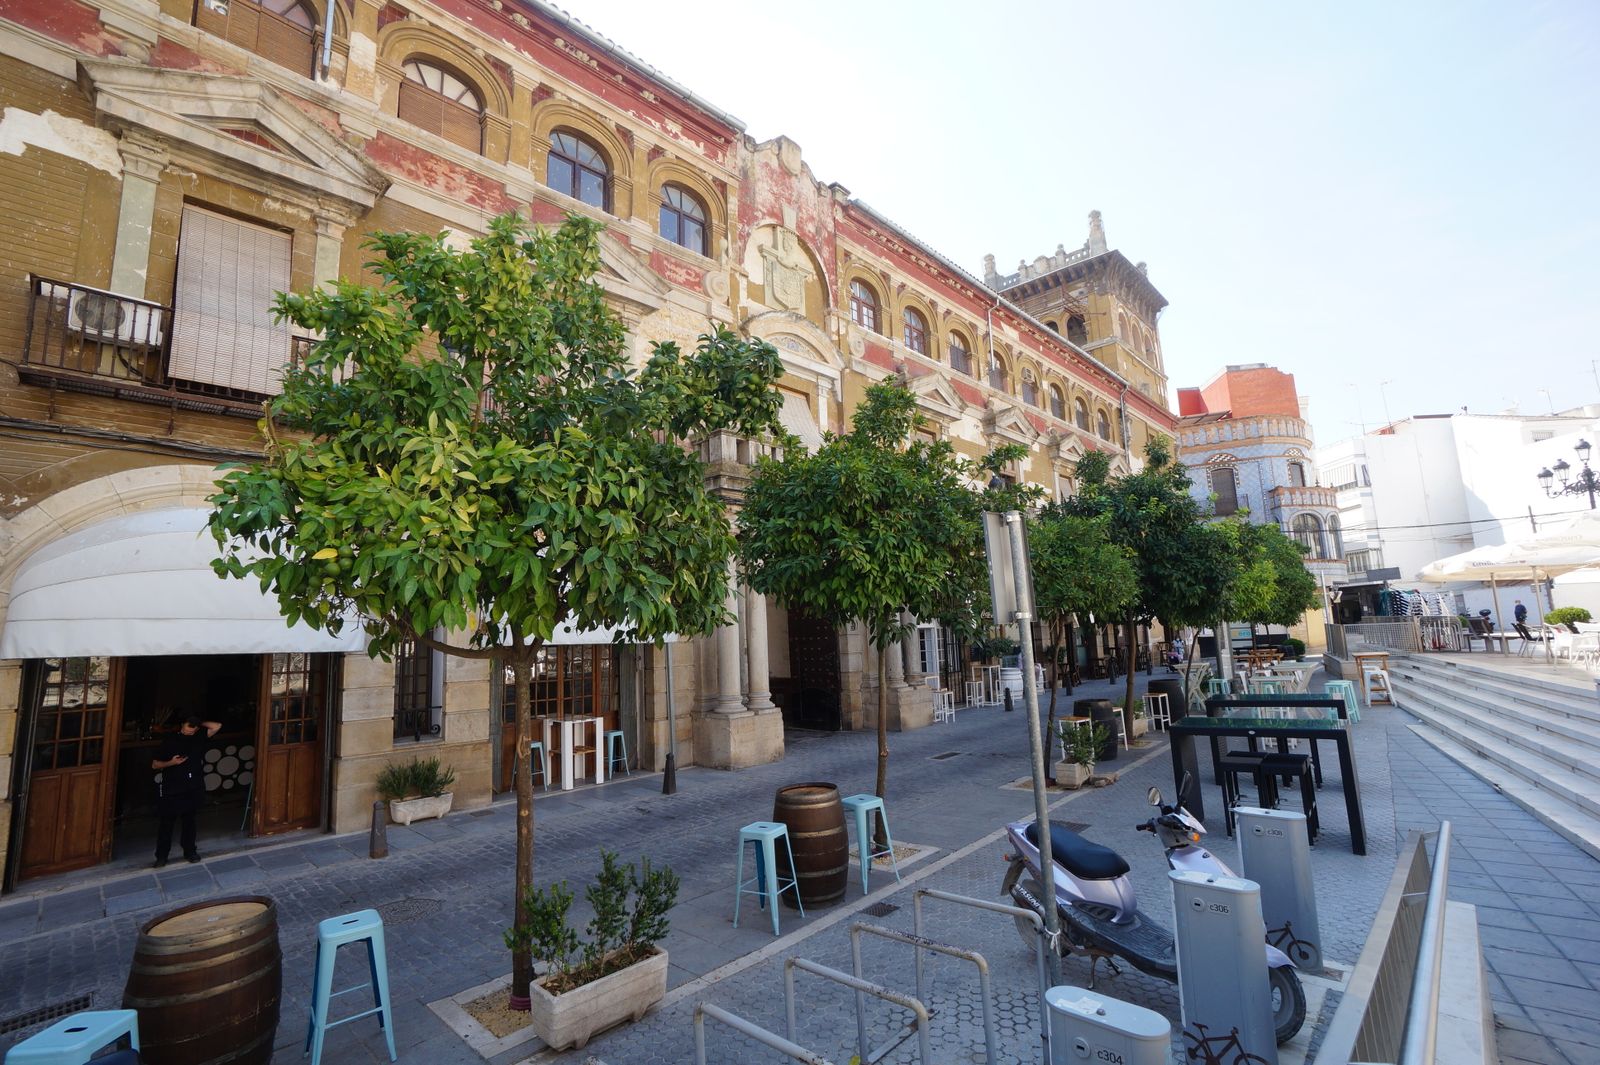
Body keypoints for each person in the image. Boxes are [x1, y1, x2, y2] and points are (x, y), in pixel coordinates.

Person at [152, 714, 220, 867]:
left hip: (193, 785)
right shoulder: (170, 740)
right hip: (173, 786)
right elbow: (155, 764)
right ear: (182, 724)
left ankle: (190, 851)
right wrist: (172, 762)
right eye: (189, 726)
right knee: (167, 822)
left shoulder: (199, 736)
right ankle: (161, 856)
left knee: (189, 821)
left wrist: (199, 722)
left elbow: (216, 726)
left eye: (194, 728)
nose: (191, 731)